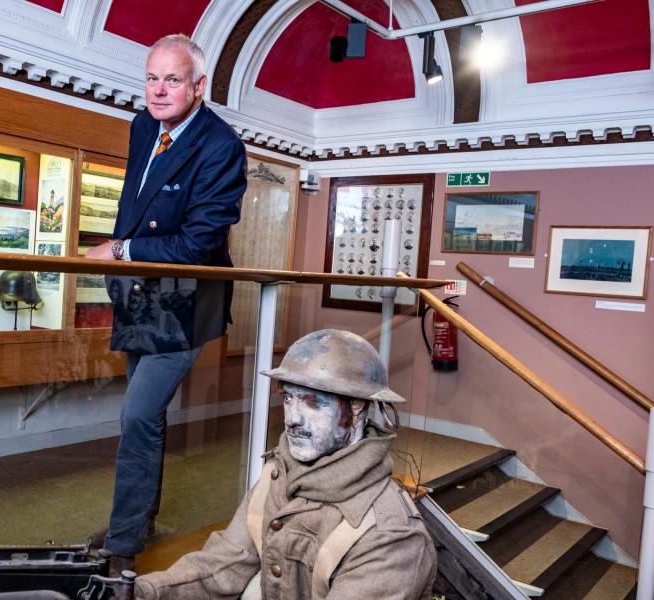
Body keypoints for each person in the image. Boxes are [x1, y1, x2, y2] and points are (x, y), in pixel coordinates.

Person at [84, 33, 247, 574]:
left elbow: (198, 246)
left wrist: (120, 249)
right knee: (144, 420)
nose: (158, 90)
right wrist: (122, 263)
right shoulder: (141, 125)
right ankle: (138, 521)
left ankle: (122, 545)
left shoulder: (222, 145)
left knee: (136, 417)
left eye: (172, 79)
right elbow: (136, 202)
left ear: (198, 86)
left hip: (183, 303)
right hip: (138, 297)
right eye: (152, 77)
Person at [133, 330, 437, 599]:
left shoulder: (389, 533)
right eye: (289, 399)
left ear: (356, 409)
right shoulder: (278, 472)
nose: (292, 419)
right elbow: (227, 562)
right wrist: (141, 592)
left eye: (313, 403)